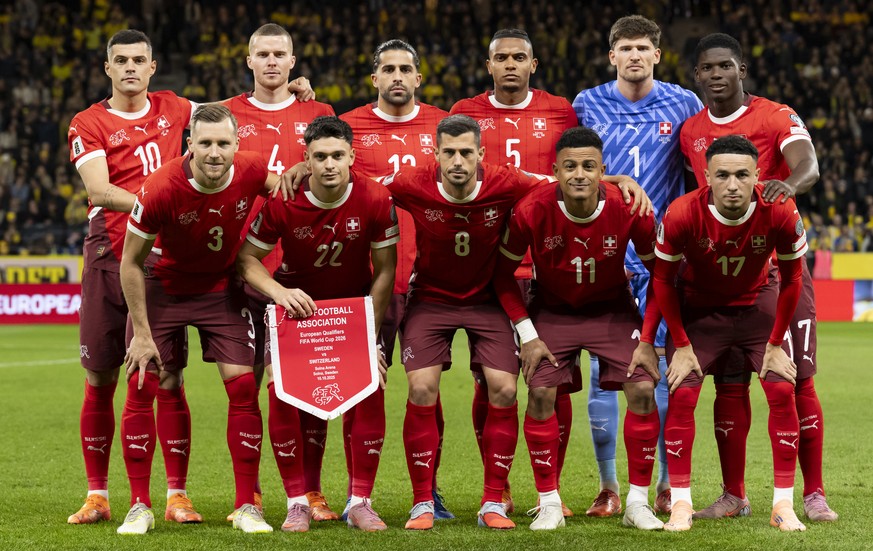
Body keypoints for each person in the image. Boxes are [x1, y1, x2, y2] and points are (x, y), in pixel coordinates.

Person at [679, 32, 837, 523]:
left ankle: (813, 493)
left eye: (726, 65)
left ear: (742, 69)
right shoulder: (691, 131)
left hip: (778, 267)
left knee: (797, 378)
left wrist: (784, 188)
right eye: (707, 68)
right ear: (698, 76)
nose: (717, 74)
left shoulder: (774, 115)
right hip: (721, 275)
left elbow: (808, 164)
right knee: (729, 382)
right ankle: (734, 494)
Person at [119, 104, 284, 534]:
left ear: (237, 145)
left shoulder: (251, 170)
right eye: (205, 143)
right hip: (164, 286)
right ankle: (140, 505)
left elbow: (286, 194)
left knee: (244, 384)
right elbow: (130, 263)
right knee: (145, 379)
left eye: (223, 143)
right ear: (189, 144)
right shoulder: (160, 187)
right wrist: (140, 334)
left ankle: (247, 505)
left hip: (219, 287)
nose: (214, 152)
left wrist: (300, 173)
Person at [492, 127, 664, 531]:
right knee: (539, 394)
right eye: (569, 166)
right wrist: (528, 334)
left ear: (604, 170)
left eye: (589, 166)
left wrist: (650, 339)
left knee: (642, 387)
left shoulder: (630, 208)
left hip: (613, 311)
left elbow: (662, 276)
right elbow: (501, 277)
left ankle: (637, 503)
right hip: (552, 311)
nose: (579, 174)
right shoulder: (531, 209)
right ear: (555, 171)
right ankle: (549, 502)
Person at [237, 116, 397, 532]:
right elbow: (247, 259)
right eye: (320, 156)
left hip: (352, 312)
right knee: (281, 391)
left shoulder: (375, 198)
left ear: (352, 157)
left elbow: (384, 272)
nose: (330, 164)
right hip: (298, 313)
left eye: (338, 156)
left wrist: (370, 338)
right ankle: (297, 502)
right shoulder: (284, 202)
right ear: (306, 159)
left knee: (370, 387)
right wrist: (278, 293)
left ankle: (360, 501)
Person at [67, 29, 199, 527]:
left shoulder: (175, 107)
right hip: (108, 253)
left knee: (167, 375)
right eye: (119, 60)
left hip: (159, 260)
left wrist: (291, 89)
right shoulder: (89, 121)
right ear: (107, 68)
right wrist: (166, 203)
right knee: (100, 377)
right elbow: (100, 191)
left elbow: (240, 109)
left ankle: (177, 494)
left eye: (137, 60)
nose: (129, 67)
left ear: (152, 66)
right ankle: (98, 495)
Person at [572, 14, 703, 517]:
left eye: (642, 47)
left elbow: (696, 175)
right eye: (624, 48)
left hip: (662, 257)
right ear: (611, 56)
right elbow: (574, 169)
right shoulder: (587, 103)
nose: (633, 55)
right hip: (604, 257)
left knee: (663, 370)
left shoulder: (683, 103)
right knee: (605, 375)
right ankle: (608, 487)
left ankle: (668, 485)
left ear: (656, 55)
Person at [385, 114, 540, 531]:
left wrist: (616, 180)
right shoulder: (411, 183)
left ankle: (493, 501)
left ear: (481, 155)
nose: (457, 160)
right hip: (430, 298)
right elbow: (359, 187)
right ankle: (422, 502)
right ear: (435, 154)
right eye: (449, 152)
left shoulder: (506, 181)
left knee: (505, 389)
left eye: (466, 152)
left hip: (488, 299)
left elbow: (559, 183)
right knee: (421, 386)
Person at [449, 28, 579, 516]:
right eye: (500, 57)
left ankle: (553, 488)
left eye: (518, 57)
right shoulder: (465, 111)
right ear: (489, 66)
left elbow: (579, 166)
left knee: (553, 378)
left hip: (547, 264)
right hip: (490, 264)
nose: (509, 64)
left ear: (533, 63)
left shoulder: (561, 110)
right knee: (492, 381)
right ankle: (497, 486)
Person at [653, 135, 808, 532]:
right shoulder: (682, 212)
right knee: (683, 388)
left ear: (759, 175)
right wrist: (682, 345)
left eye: (742, 174)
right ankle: (682, 504)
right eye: (722, 175)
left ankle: (782, 505)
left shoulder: (780, 209)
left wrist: (775, 345)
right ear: (706, 176)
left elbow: (792, 279)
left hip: (757, 306)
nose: (733, 184)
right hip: (701, 311)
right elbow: (663, 281)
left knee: (780, 387)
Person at [227, 22, 336, 523]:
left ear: (294, 62)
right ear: (248, 60)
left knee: (307, 387)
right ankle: (247, 495)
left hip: (304, 270)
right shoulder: (226, 115)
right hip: (242, 264)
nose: (271, 62)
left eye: (280, 54)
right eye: (262, 54)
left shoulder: (319, 113)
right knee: (246, 385)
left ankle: (310, 491)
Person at [339, 39, 452, 519]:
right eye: (388, 69)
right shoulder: (349, 127)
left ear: (419, 77)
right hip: (369, 279)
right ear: (375, 79)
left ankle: (428, 491)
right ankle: (356, 494)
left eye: (407, 68)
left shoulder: (444, 125)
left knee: (426, 387)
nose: (398, 76)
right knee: (363, 386)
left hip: (430, 279)